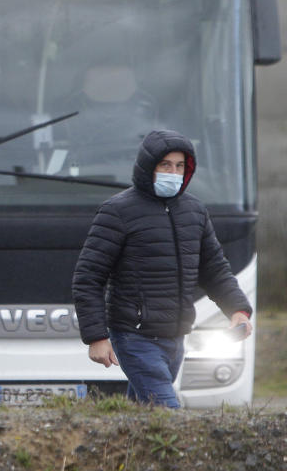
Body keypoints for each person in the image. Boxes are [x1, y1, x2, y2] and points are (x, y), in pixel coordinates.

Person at [72, 129, 253, 408]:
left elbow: (215, 269)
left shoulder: (195, 211)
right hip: (134, 336)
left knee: (145, 418)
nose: (174, 172)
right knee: (167, 412)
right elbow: (88, 277)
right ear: (148, 167)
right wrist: (96, 337)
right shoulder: (117, 211)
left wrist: (238, 310)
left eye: (180, 166)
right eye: (165, 165)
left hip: (176, 337)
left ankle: (120, 452)